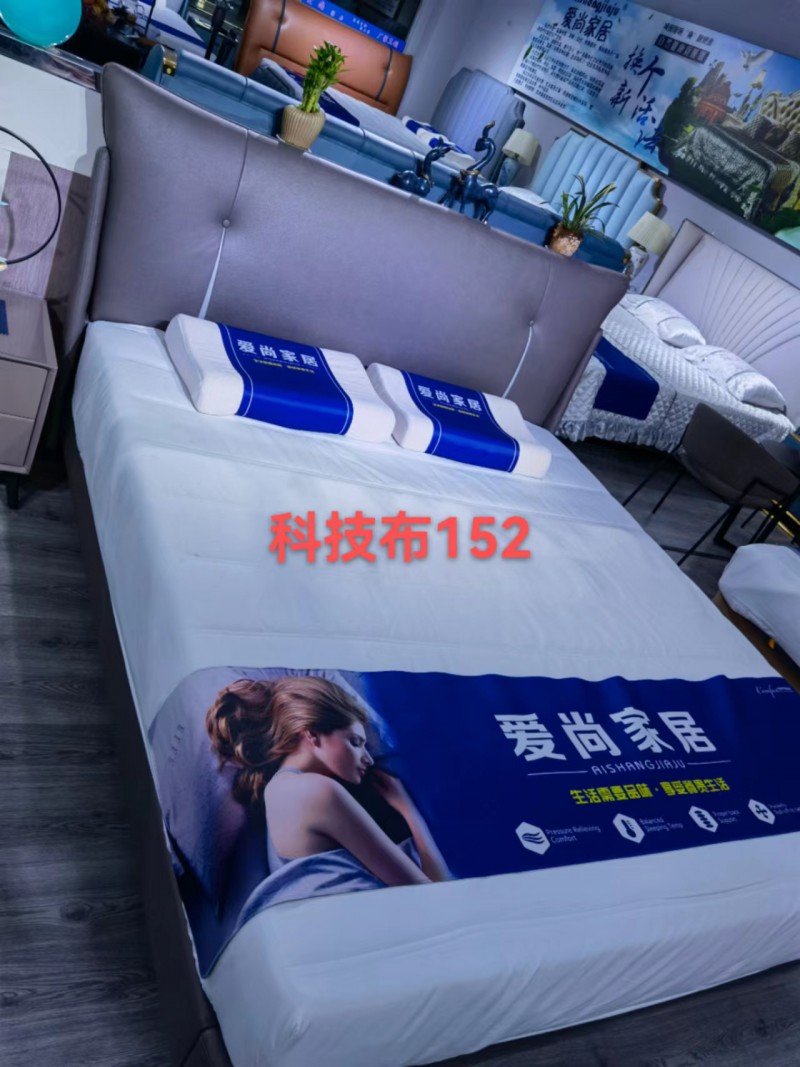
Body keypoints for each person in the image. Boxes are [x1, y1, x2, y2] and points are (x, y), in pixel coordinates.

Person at [206, 676, 448, 886]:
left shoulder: (277, 789)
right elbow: (429, 890)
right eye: (355, 742)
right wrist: (408, 809)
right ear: (312, 735)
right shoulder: (319, 792)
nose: (368, 759)